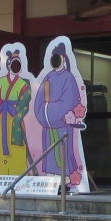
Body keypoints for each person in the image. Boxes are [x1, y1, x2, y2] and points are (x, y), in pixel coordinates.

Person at [33, 42, 86, 189]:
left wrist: (50, 110)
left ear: (63, 59)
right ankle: (52, 179)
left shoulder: (68, 77)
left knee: (64, 151)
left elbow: (69, 101)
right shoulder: (48, 77)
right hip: (48, 126)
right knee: (50, 151)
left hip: (62, 124)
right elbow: (39, 101)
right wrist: (44, 110)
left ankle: (65, 180)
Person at [0, 48, 32, 176]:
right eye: (14, 64)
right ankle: (3, 173)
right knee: (2, 144)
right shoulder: (0, 81)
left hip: (15, 117)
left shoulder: (23, 83)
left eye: (18, 65)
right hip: (3, 117)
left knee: (18, 145)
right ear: (8, 65)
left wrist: (17, 115)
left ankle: (20, 173)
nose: (16, 67)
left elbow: (25, 101)